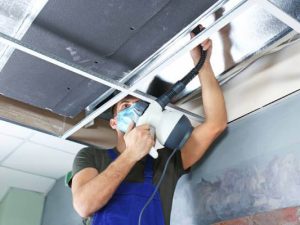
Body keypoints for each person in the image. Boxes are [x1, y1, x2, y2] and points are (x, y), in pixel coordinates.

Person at [71, 25, 227, 225]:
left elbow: (216, 123)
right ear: (113, 122)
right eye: (125, 106)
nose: (134, 111)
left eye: (140, 105)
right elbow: (84, 205)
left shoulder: (166, 161)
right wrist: (130, 154)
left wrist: (202, 63)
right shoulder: (91, 156)